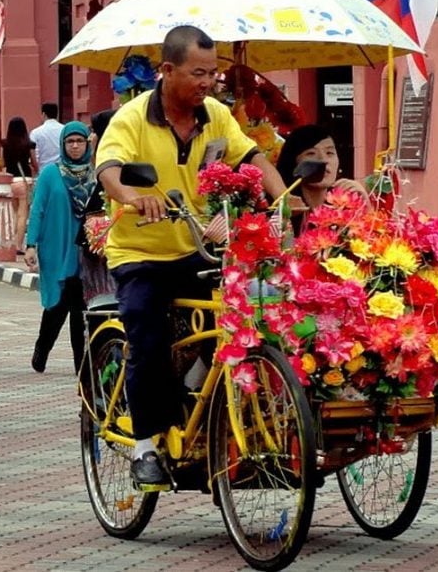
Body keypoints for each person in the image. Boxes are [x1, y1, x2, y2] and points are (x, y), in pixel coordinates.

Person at [95, 25, 293, 488]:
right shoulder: (131, 119)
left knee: (237, 322)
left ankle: (194, 405)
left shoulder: (217, 116)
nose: (208, 82)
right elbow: (109, 170)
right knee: (147, 334)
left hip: (197, 247)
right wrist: (131, 196)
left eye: (213, 73)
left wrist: (284, 200)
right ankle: (145, 444)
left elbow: (252, 159)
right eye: (197, 73)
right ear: (167, 71)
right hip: (141, 250)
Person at [23, 121, 94, 374]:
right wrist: (30, 245)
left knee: (79, 308)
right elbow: (38, 210)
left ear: (87, 144)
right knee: (56, 304)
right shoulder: (50, 174)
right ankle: (42, 348)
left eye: (80, 141)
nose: (75, 146)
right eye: (70, 142)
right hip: (55, 246)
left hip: (85, 250)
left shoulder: (95, 174)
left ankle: (80, 364)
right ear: (63, 145)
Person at [276, 124, 368, 213]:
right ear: (293, 162)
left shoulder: (345, 207)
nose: (323, 160)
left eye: (329, 153)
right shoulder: (280, 212)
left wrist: (364, 200)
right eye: (311, 153)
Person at [1, 116, 37, 253]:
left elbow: (2, 163)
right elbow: (34, 163)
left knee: (14, 213)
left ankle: (12, 241)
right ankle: (18, 244)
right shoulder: (29, 144)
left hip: (10, 181)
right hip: (24, 180)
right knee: (23, 214)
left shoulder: (5, 144)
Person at [29, 102, 62, 169]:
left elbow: (33, 155)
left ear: (43, 114)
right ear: (57, 114)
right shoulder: (64, 129)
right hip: (61, 170)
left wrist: (37, 170)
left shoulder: (36, 132)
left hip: (43, 169)